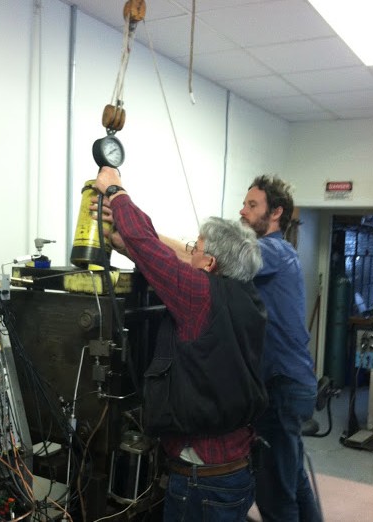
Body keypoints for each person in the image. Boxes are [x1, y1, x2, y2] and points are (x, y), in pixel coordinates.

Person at [93, 167, 267, 522]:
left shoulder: (201, 294)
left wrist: (115, 190)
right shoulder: (247, 298)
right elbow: (163, 261)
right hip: (237, 467)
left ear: (211, 263)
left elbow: (153, 249)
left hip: (203, 482)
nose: (190, 255)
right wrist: (129, 248)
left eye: (196, 249)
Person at [239, 175, 321, 522]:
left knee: (274, 492)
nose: (242, 211)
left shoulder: (271, 251)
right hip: (289, 382)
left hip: (281, 387)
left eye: (251, 205)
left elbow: (213, 258)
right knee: (293, 479)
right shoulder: (279, 253)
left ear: (276, 213)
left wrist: (145, 238)